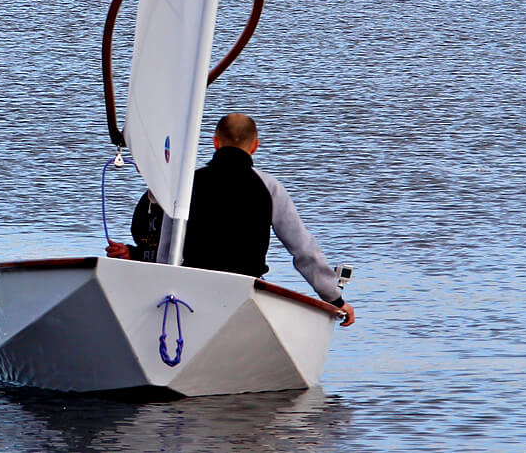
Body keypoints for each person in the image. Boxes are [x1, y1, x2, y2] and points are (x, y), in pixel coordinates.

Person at [106, 112, 357, 327]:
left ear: (215, 142)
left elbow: (168, 248)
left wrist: (157, 290)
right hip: (245, 291)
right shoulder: (269, 187)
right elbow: (303, 249)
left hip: (194, 290)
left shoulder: (186, 185)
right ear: (255, 146)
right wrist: (334, 297)